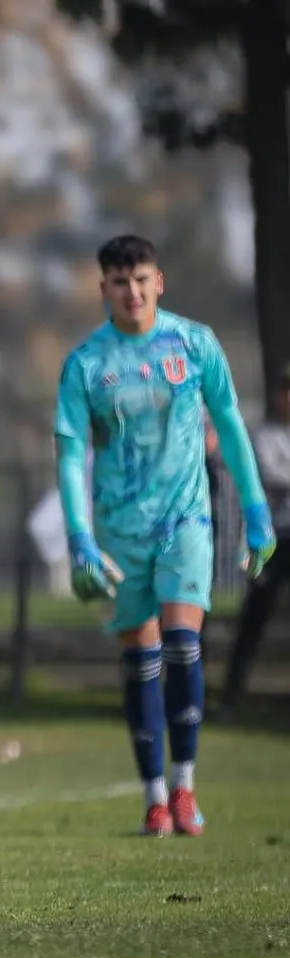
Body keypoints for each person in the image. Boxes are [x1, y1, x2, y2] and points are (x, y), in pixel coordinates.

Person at [54, 234, 274, 838]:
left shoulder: (194, 344)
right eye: (121, 283)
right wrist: (78, 536)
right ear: (104, 289)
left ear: (160, 282)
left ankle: (184, 786)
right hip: (120, 532)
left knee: (183, 642)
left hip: (187, 520)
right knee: (141, 657)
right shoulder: (86, 364)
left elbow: (229, 425)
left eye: (142, 280)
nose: (133, 293)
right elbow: (72, 457)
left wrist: (255, 511)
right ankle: (153, 796)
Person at [221, 364, 290, 715]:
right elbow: (274, 477)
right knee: (254, 618)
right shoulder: (265, 437)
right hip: (276, 539)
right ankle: (231, 697)